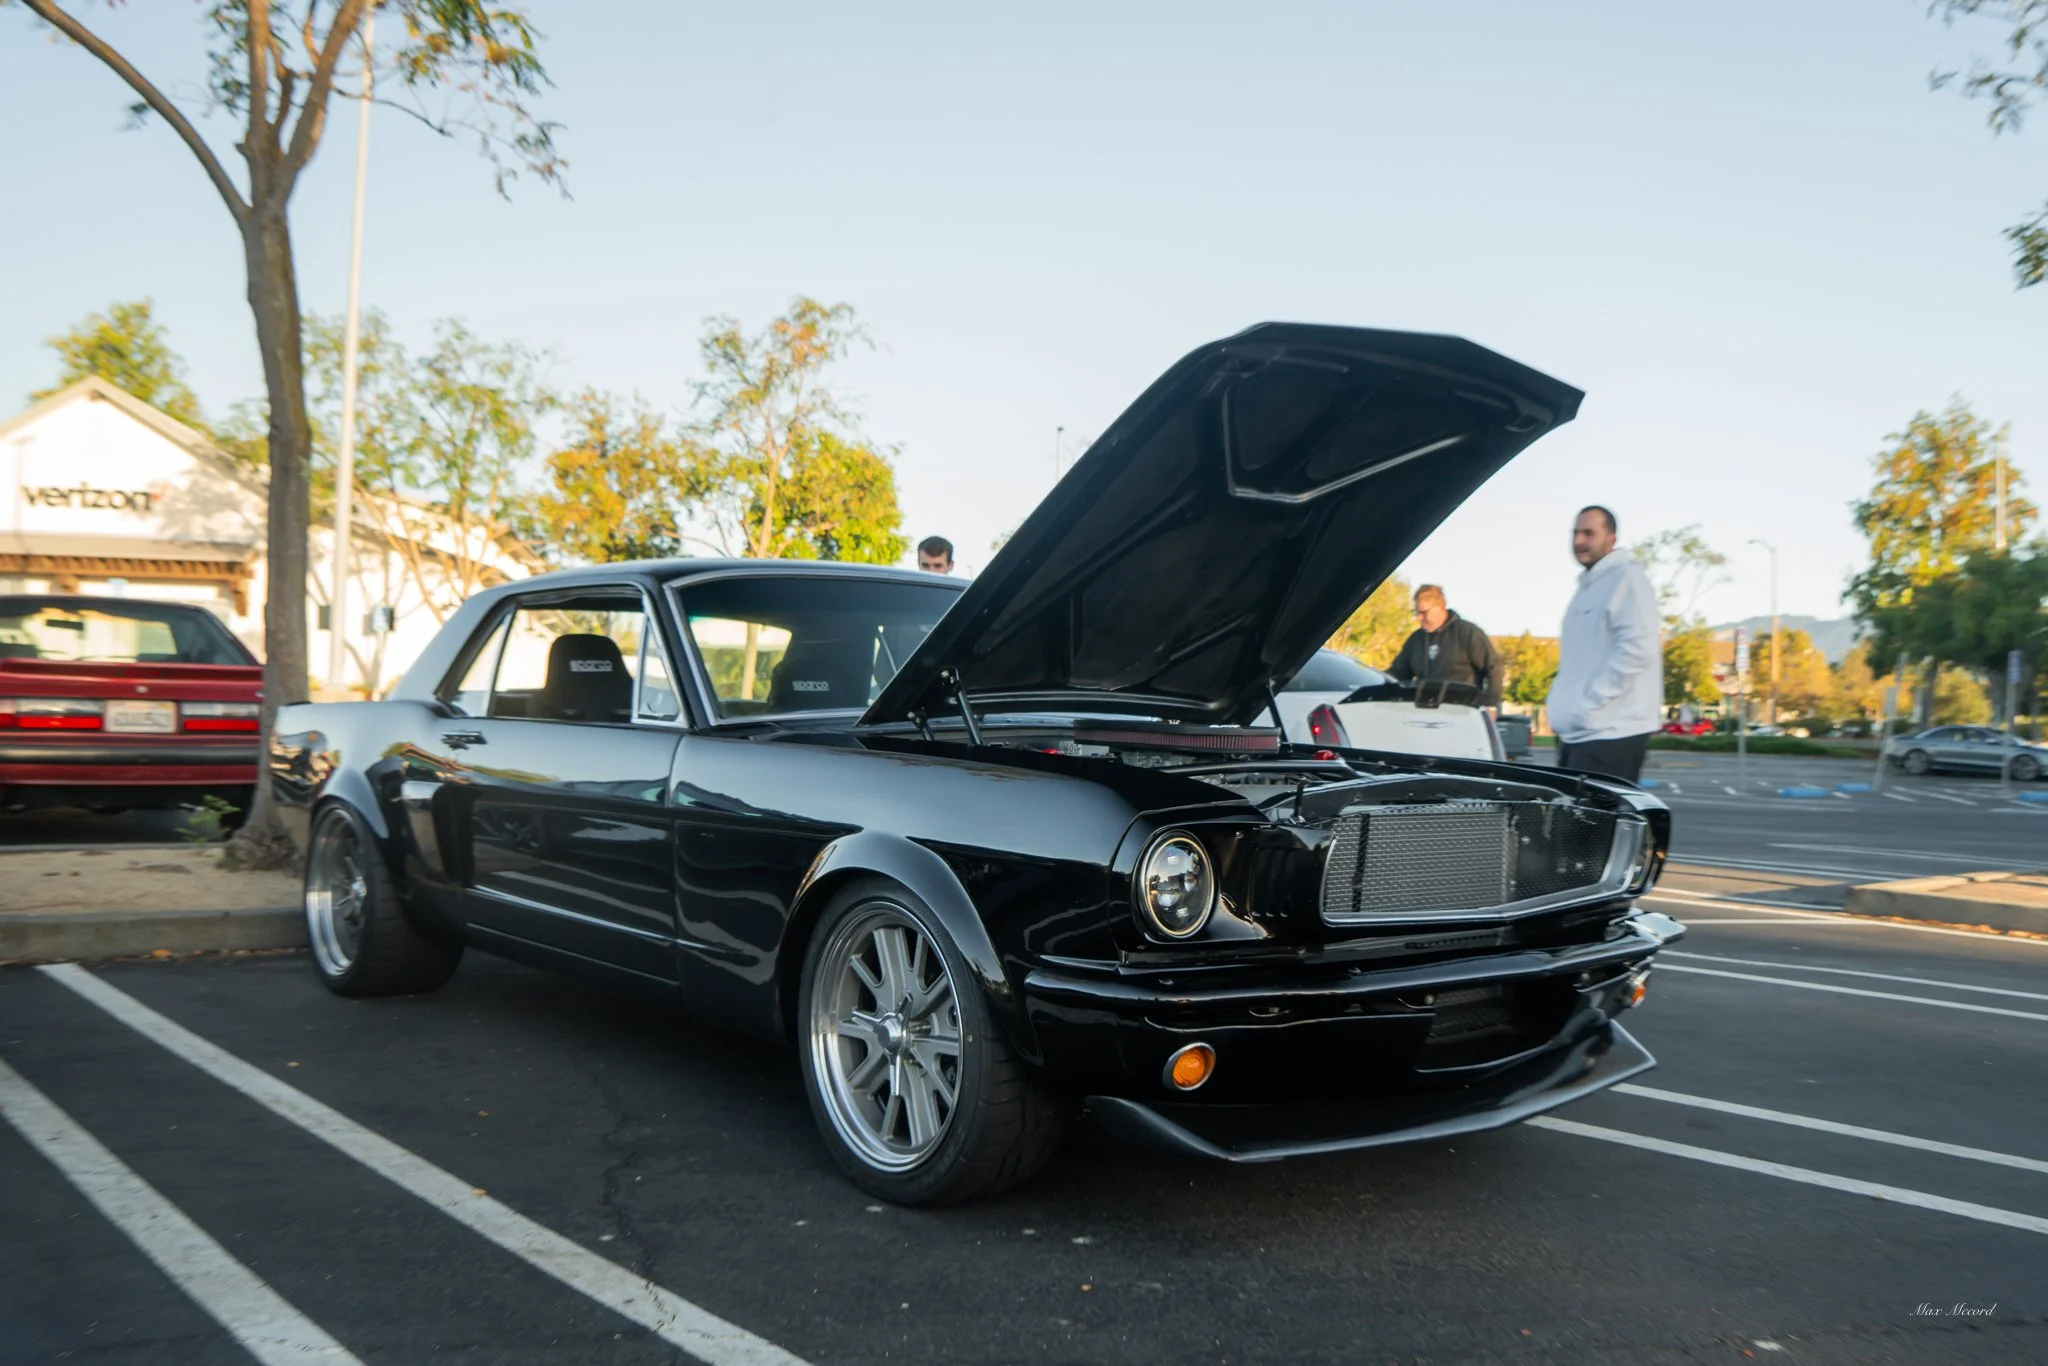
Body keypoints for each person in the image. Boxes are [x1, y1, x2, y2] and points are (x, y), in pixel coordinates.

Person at [1546, 505, 1662, 782]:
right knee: (1574, 823)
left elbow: (1638, 650)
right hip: (1581, 733)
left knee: (1593, 824)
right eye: (1575, 533)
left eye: (1589, 533)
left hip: (1611, 734)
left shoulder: (1627, 579)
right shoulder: (1589, 585)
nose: (1578, 541)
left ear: (1611, 539)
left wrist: (1589, 705)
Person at [1385, 584, 1502, 709]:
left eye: (1424, 613)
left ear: (1441, 607)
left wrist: (1490, 704)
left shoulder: (1467, 632)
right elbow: (1397, 673)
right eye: (1416, 613)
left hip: (1463, 712)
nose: (1419, 618)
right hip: (1425, 713)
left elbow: (1494, 667)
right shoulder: (1416, 640)